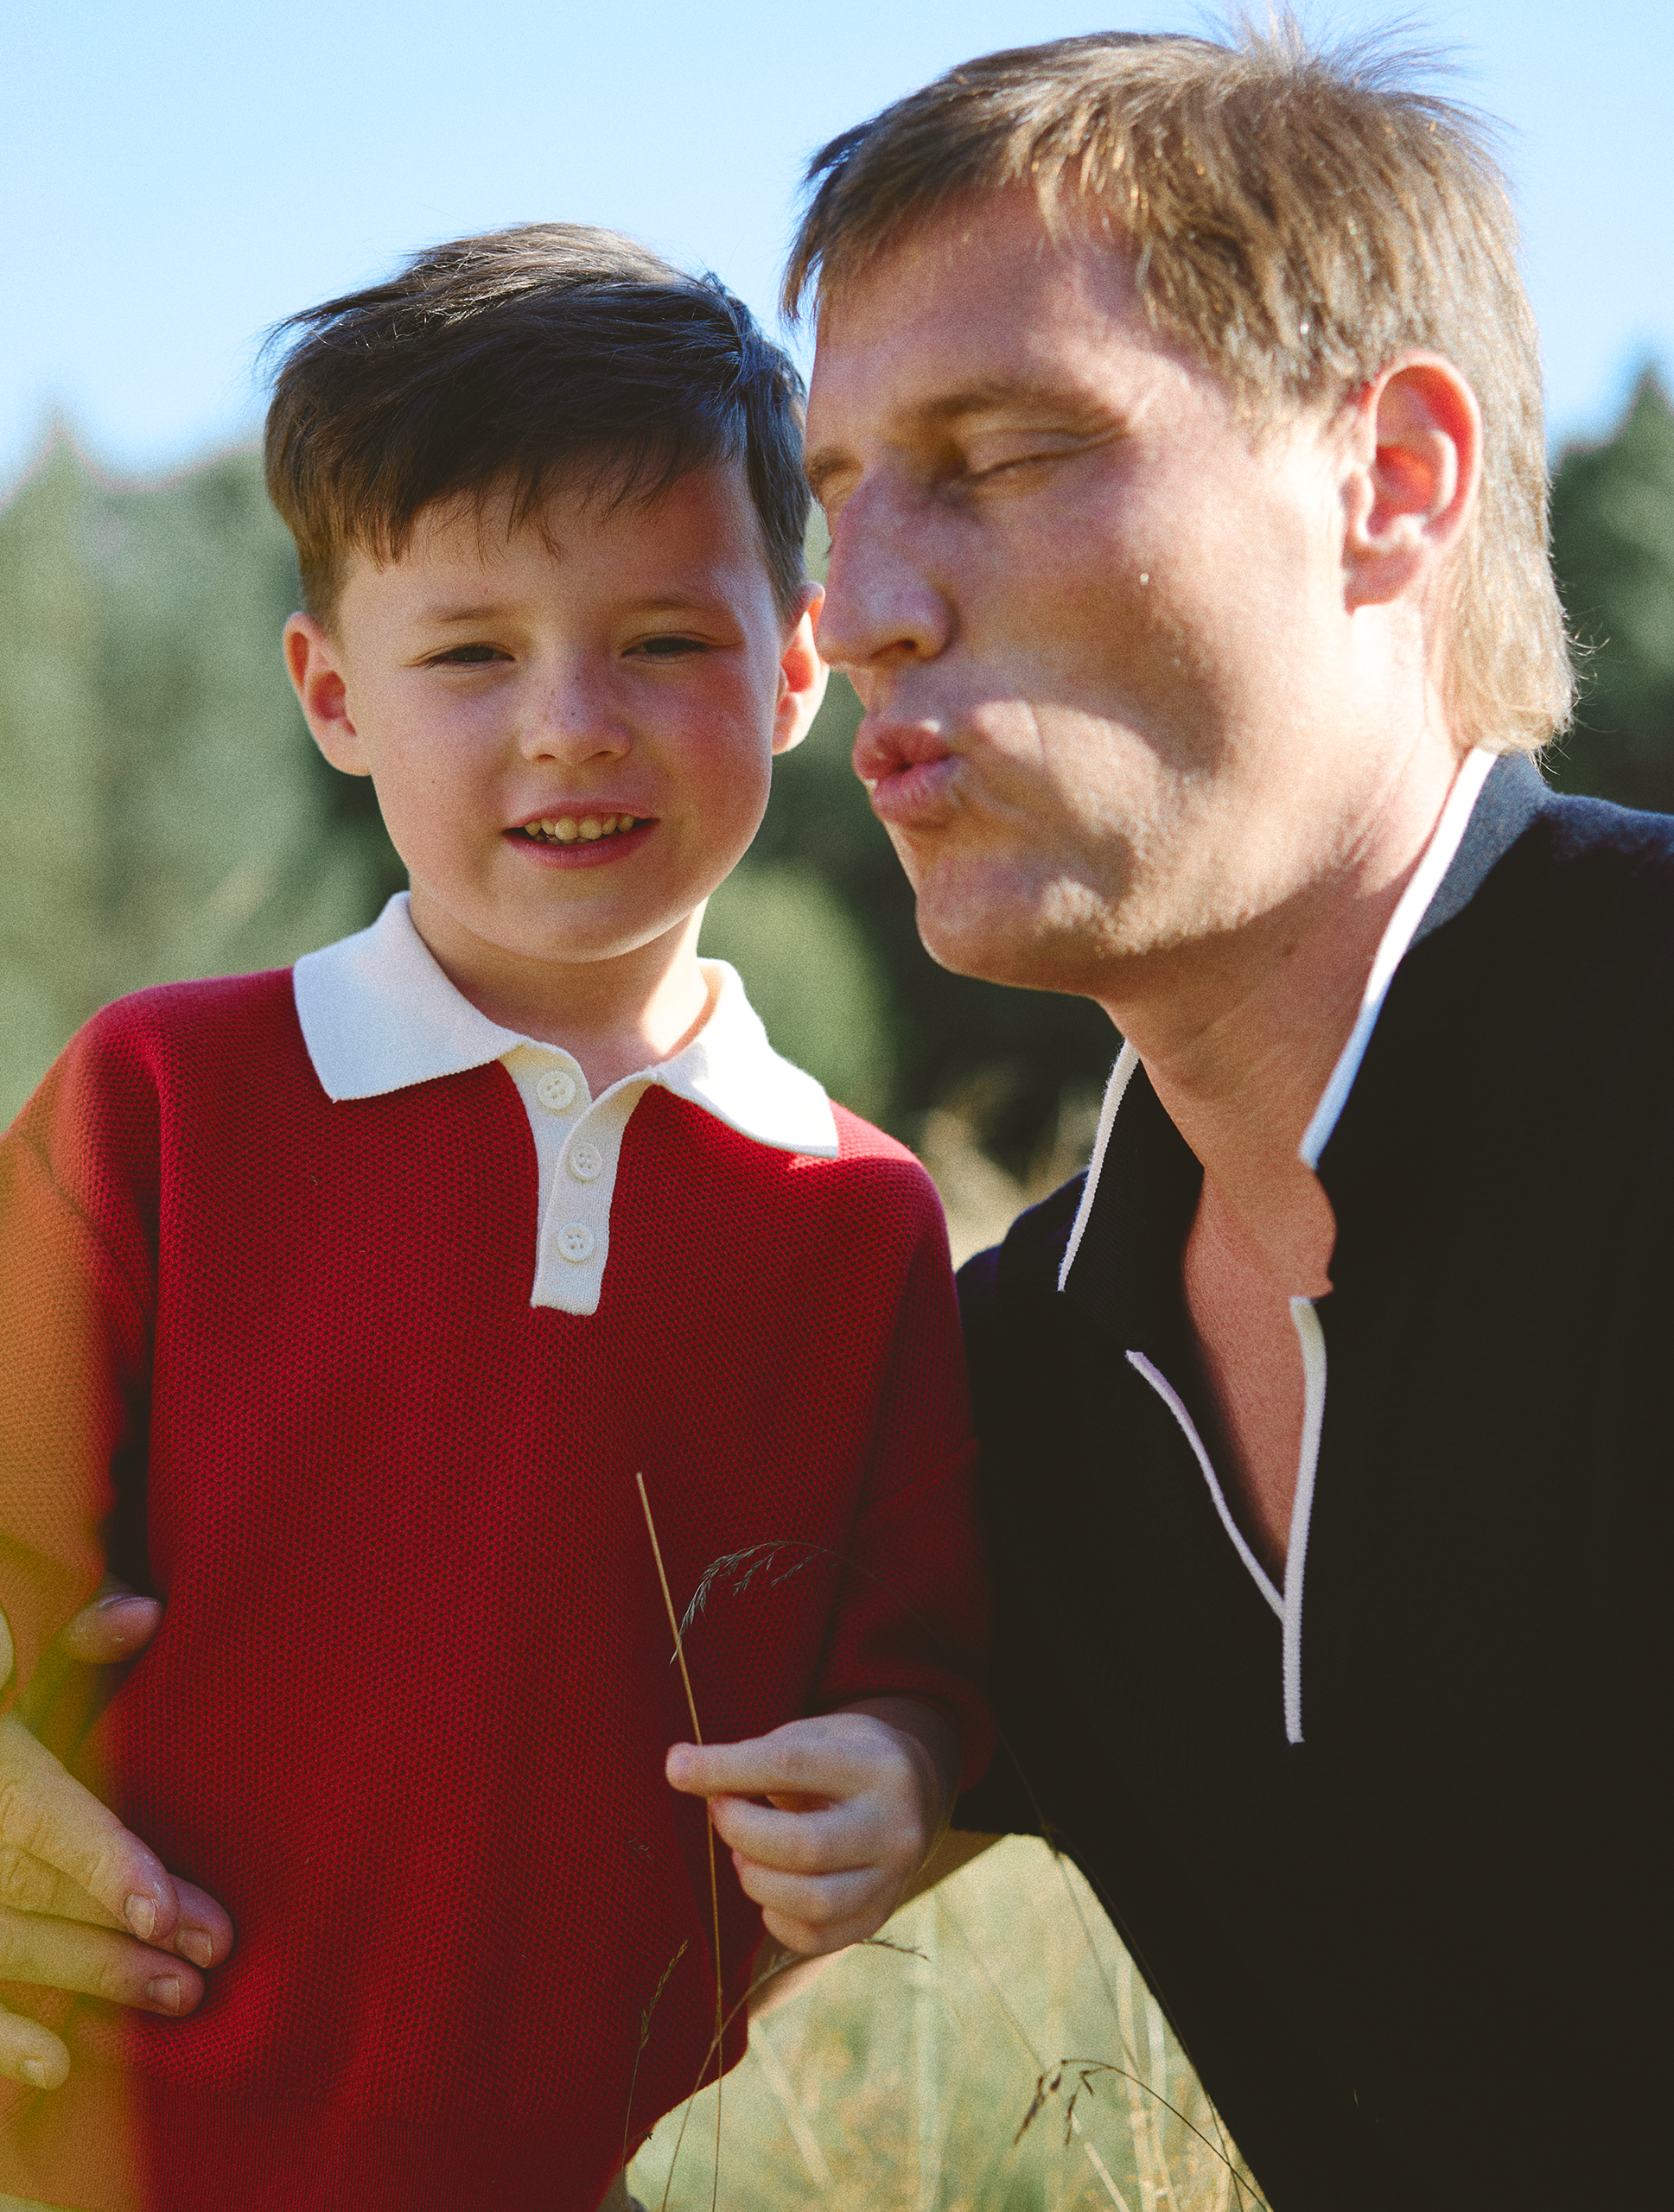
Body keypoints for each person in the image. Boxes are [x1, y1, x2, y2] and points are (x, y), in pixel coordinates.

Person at [0, 225, 990, 2212]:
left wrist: (900, 1768)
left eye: (663, 640)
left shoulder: (853, 1215)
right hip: (93, 2139)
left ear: (796, 668)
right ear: (333, 692)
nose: (570, 718)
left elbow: (910, 1646)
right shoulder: (166, 1098)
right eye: (472, 651)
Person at [787, 21, 1659, 2209]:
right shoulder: (1012, 1389)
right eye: (834, 495)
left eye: (1003, 454)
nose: (859, 611)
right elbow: (493, 1906)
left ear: (1393, 477)